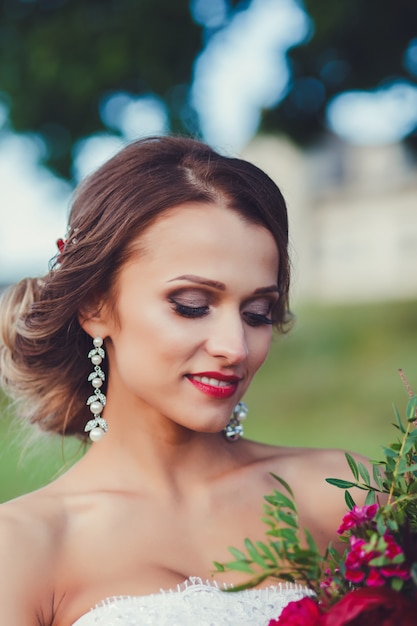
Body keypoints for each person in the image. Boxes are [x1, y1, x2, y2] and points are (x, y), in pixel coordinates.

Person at [0, 136, 365, 626]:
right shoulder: (23, 548)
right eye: (191, 305)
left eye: (258, 313)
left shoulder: (347, 497)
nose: (234, 347)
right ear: (94, 304)